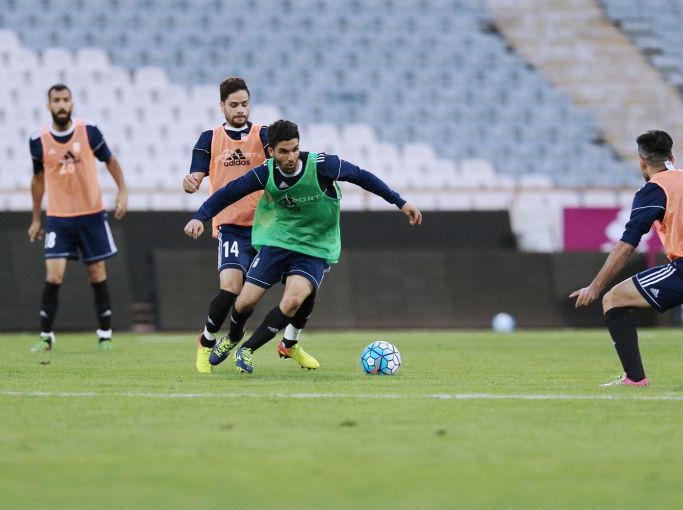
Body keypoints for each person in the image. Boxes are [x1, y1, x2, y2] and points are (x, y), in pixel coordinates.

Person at [184, 119, 423, 374]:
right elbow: (228, 193)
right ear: (271, 151)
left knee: (293, 301)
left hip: (314, 247)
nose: (291, 157)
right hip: (278, 242)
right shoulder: (266, 172)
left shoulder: (322, 165)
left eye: (295, 149)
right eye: (284, 151)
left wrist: (400, 202)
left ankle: (247, 350)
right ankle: (233, 337)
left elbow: (362, 177)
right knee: (244, 303)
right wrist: (200, 217)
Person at [183, 77, 317, 373]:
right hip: (232, 226)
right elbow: (195, 176)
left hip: (270, 228)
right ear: (222, 106)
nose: (240, 110)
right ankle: (207, 342)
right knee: (231, 288)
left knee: (304, 283)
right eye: (234, 105)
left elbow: (290, 161)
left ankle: (291, 342)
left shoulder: (264, 135)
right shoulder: (209, 139)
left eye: (245, 104)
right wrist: (191, 182)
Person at [570, 130, 683, 386]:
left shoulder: (654, 189)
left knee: (613, 300)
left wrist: (595, 287)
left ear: (642, 162)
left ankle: (634, 379)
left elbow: (627, 244)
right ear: (672, 157)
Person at [28, 83, 128, 352]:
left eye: (65, 100)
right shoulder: (38, 140)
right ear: (48, 105)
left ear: (72, 103)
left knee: (97, 274)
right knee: (54, 275)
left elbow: (110, 160)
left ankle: (105, 336)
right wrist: (36, 218)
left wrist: (122, 191)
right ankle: (46, 336)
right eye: (56, 100)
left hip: (91, 215)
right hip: (59, 218)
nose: (61, 105)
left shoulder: (89, 131)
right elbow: (38, 179)